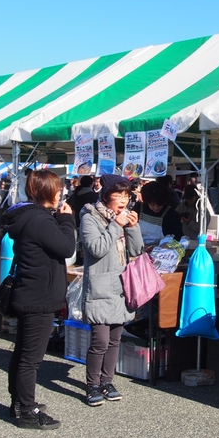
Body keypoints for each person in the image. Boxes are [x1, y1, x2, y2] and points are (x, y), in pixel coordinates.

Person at [1, 169, 75, 429]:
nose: (61, 194)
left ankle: (19, 402)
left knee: (23, 353)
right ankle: (27, 410)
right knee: (30, 358)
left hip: (31, 292)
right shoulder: (40, 220)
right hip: (38, 297)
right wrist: (67, 220)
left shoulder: (31, 217)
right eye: (58, 189)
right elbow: (67, 248)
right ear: (47, 192)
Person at [79, 174, 144, 407]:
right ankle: (92, 385)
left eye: (126, 195)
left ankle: (108, 381)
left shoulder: (124, 218)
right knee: (100, 341)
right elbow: (96, 248)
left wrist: (133, 228)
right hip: (99, 286)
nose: (123, 200)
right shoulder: (90, 217)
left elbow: (136, 250)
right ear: (105, 195)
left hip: (121, 287)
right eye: (118, 195)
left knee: (115, 339)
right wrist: (117, 225)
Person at [138, 180, 183, 246]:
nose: (156, 208)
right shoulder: (139, 208)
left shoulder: (172, 214)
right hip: (140, 249)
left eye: (159, 204)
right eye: (152, 204)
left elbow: (178, 237)